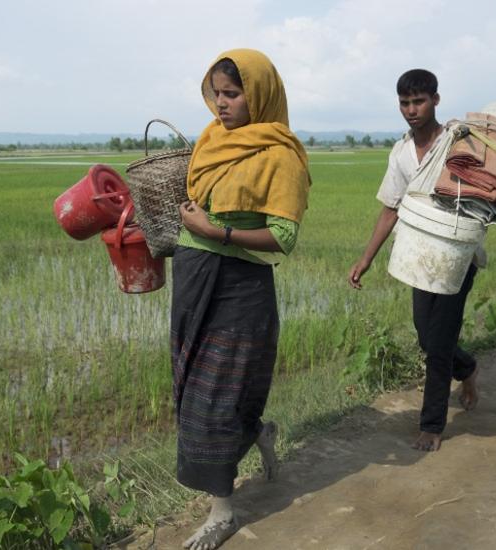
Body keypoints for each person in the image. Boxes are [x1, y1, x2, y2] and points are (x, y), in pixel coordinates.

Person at [171, 49, 311, 550]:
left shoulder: (281, 154)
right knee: (192, 388)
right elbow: (194, 207)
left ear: (260, 94)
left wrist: (217, 230)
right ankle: (257, 434)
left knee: (219, 392)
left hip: (239, 286)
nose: (221, 104)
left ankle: (222, 513)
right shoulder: (212, 140)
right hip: (192, 278)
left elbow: (284, 238)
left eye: (232, 94)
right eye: (216, 94)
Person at [348, 69, 479, 452]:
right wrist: (366, 258)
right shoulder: (401, 152)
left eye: (418, 101)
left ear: (436, 100)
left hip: (457, 255)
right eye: (404, 102)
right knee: (426, 334)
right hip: (420, 256)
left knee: (438, 342)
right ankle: (468, 368)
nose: (411, 109)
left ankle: (432, 425)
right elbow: (390, 207)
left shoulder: (457, 141)